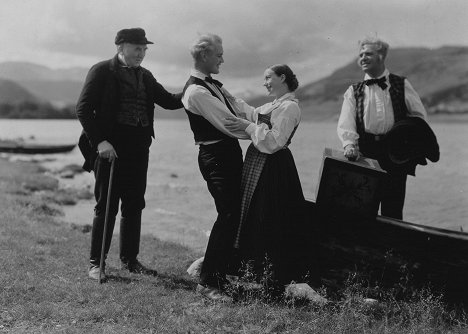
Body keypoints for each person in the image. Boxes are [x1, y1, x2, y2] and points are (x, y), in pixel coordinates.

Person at [76, 28, 183, 281]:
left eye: (144, 49)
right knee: (107, 205)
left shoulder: (145, 76)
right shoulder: (102, 70)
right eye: (137, 48)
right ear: (120, 47)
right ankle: (96, 264)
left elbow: (168, 100)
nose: (142, 53)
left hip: (139, 146)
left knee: (134, 204)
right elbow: (82, 108)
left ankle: (130, 261)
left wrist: (194, 86)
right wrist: (100, 142)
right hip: (110, 149)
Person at [224, 64, 314, 294]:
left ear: (282, 77)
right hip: (258, 161)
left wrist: (248, 127)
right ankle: (248, 268)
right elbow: (250, 112)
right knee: (251, 211)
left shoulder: (290, 107)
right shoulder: (274, 105)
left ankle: (266, 273)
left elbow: (274, 142)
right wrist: (226, 94)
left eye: (268, 77)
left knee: (266, 215)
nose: (264, 82)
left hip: (273, 166)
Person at [181, 33, 249, 302]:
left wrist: (270, 116)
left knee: (233, 214)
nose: (222, 58)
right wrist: (266, 133)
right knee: (228, 214)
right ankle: (208, 282)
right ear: (204, 55)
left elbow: (240, 109)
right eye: (219, 54)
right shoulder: (196, 91)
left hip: (228, 153)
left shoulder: (213, 86)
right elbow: (229, 122)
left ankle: (219, 274)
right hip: (215, 156)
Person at [337, 37, 427, 219]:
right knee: (362, 208)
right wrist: (349, 144)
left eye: (368, 53)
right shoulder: (353, 91)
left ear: (381, 56)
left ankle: (390, 247)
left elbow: (419, 117)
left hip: (396, 155)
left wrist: (407, 141)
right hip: (365, 155)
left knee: (393, 210)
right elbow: (346, 122)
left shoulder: (401, 84)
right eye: (360, 55)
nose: (363, 58)